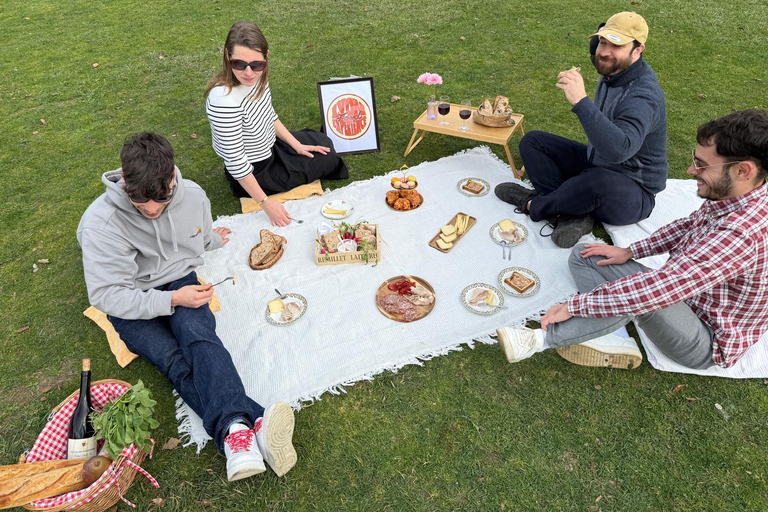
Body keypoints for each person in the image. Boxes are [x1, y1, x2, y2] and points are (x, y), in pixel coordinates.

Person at [77, 132, 297, 482]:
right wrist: (171, 300)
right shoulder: (99, 223)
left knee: (199, 337)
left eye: (162, 200)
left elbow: (198, 234)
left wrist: (212, 239)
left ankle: (235, 434)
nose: (152, 210)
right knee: (173, 360)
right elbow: (107, 297)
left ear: (173, 177)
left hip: (180, 279)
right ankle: (250, 421)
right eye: (139, 201)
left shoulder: (193, 196)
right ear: (124, 180)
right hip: (129, 302)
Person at [495, 110, 768, 371]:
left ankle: (538, 340)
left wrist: (575, 306)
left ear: (742, 171)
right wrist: (629, 251)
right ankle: (610, 331)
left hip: (704, 338)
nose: (689, 170)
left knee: (640, 297)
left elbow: (658, 290)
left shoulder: (742, 235)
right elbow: (688, 226)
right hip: (684, 295)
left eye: (702, 165)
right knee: (585, 255)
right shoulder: (735, 196)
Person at [495, 12, 667, 248]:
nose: (605, 52)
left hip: (633, 191)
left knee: (596, 182)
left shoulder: (643, 96)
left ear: (638, 50)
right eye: (603, 42)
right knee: (533, 142)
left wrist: (580, 101)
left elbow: (619, 151)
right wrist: (604, 33)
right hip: (597, 163)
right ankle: (573, 214)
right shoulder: (613, 66)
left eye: (617, 45)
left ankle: (533, 203)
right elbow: (598, 51)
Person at [205, 20, 348, 227]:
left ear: (266, 57)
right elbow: (236, 162)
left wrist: (297, 146)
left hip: (271, 148)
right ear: (228, 56)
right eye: (239, 64)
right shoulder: (223, 101)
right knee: (330, 159)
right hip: (255, 171)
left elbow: (269, 115)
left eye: (256, 64)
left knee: (322, 141)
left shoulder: (258, 79)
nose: (248, 72)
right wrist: (266, 203)